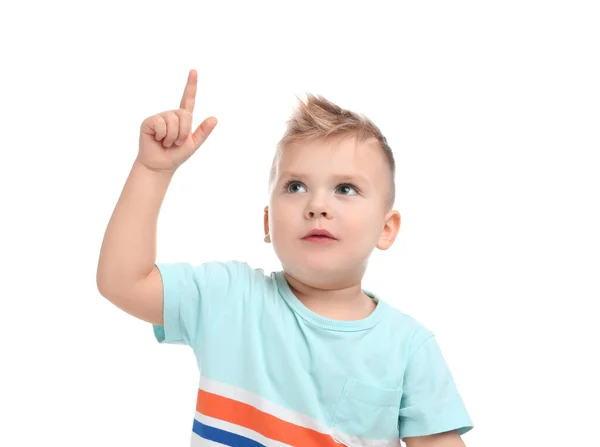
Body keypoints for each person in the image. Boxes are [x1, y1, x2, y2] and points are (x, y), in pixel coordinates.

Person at [96, 69, 473, 447]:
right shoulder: (228, 297)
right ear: (267, 222)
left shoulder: (408, 348)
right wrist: (151, 171)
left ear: (386, 229)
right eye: (295, 186)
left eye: (346, 188)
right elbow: (122, 282)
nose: (317, 205)